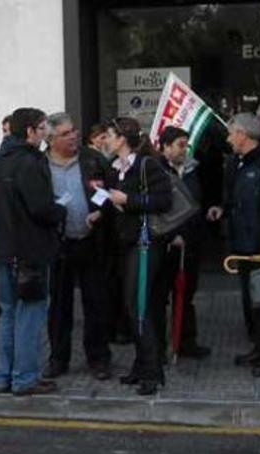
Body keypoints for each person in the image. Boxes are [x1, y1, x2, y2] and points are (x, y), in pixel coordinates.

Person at [0, 107, 65, 396]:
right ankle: (25, 378)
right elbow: (41, 208)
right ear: (30, 131)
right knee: (29, 315)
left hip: (4, 248)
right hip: (29, 250)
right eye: (42, 128)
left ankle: (3, 375)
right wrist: (60, 210)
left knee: (7, 314)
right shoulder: (30, 163)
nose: (47, 133)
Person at [208, 113, 260, 377]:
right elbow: (234, 197)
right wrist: (223, 209)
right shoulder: (239, 162)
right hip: (244, 243)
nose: (229, 139)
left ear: (243, 135)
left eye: (231, 133)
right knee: (253, 300)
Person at [104, 117, 172, 395]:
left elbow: (163, 200)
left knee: (138, 306)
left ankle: (152, 372)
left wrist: (127, 201)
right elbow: (115, 199)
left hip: (145, 244)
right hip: (126, 242)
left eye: (110, 135)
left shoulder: (147, 164)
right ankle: (142, 364)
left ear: (121, 139)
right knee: (134, 306)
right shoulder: (116, 168)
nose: (106, 139)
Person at [43, 113, 112, 381]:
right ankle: (58, 358)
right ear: (50, 140)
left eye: (74, 130)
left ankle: (98, 358)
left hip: (90, 241)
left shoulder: (92, 159)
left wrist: (101, 211)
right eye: (65, 133)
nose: (73, 136)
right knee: (59, 306)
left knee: (96, 303)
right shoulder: (40, 165)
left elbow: (110, 190)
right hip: (58, 245)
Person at [151, 127, 211, 360]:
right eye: (179, 145)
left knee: (186, 295)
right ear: (164, 147)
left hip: (191, 243)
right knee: (159, 297)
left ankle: (186, 341)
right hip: (166, 244)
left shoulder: (192, 169)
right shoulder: (155, 171)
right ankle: (157, 346)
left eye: (186, 144)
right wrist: (170, 234)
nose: (184, 149)